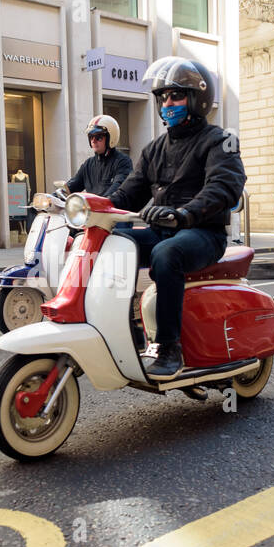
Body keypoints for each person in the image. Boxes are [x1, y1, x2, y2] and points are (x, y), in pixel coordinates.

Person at [107, 57, 246, 381]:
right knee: (112, 244)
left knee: (166, 254)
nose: (168, 103)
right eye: (163, 97)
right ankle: (127, 331)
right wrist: (89, 205)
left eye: (176, 96)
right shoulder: (154, 148)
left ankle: (169, 346)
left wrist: (185, 213)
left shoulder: (219, 139)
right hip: (161, 229)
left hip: (202, 233)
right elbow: (127, 194)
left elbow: (224, 185)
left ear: (197, 99)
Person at [56, 115, 132, 200]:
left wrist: (102, 201)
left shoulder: (122, 161)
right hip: (92, 211)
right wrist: (52, 197)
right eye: (91, 137)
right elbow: (72, 186)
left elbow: (118, 187)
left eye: (98, 137)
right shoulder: (88, 164)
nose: (93, 140)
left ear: (110, 138)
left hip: (111, 210)